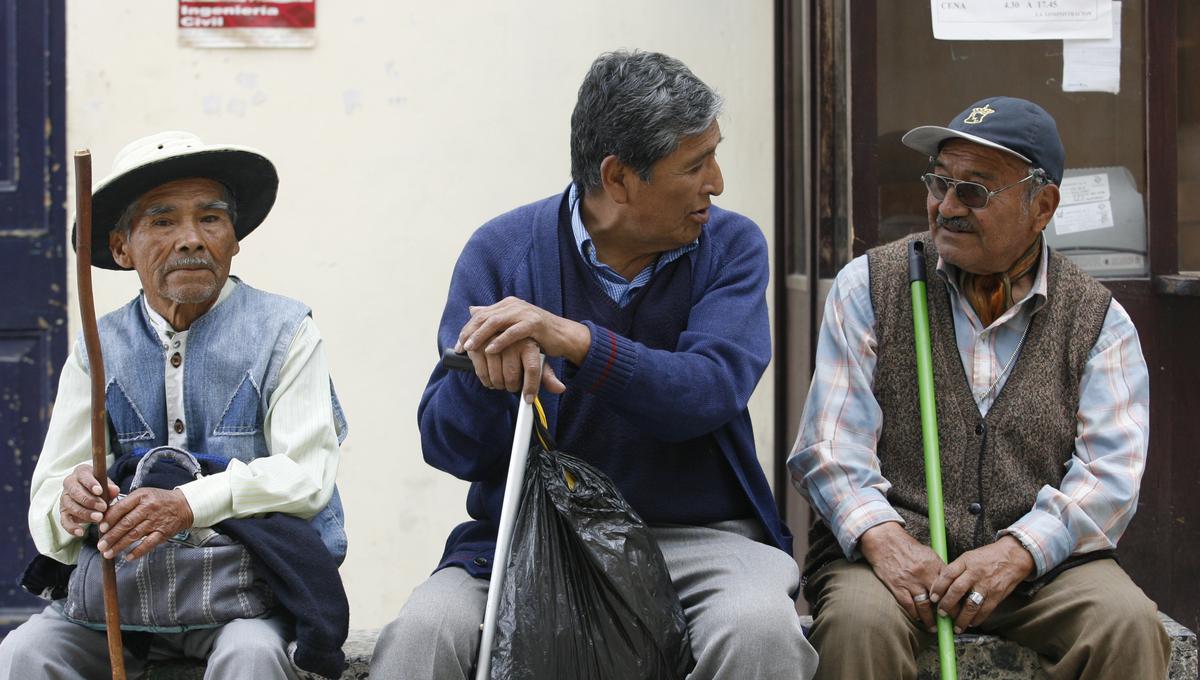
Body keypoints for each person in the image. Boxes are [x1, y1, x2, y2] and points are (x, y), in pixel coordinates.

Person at [370, 50, 818, 680]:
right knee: (423, 634)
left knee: (761, 632)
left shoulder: (731, 246)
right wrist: (488, 375)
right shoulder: (504, 251)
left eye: (714, 155)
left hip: (700, 536)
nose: (716, 182)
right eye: (695, 165)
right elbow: (447, 446)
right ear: (618, 178)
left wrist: (577, 341)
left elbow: (707, 392)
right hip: (532, 533)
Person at [789, 96, 1171, 680]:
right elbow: (830, 448)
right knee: (858, 625)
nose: (946, 207)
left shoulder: (1098, 319)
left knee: (1126, 625)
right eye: (939, 183)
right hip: (893, 554)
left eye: (974, 191)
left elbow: (1110, 476)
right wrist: (884, 538)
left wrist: (1019, 552)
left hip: (1041, 568)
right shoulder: (868, 285)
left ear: (1042, 206)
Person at [0, 131, 349, 680]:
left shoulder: (286, 331)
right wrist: (70, 505)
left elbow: (306, 476)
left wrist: (188, 503)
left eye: (210, 218)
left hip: (244, 599)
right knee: (25, 653)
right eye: (163, 222)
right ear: (121, 248)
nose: (191, 239)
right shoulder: (98, 346)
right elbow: (49, 498)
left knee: (252, 656)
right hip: (122, 606)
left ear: (234, 238)